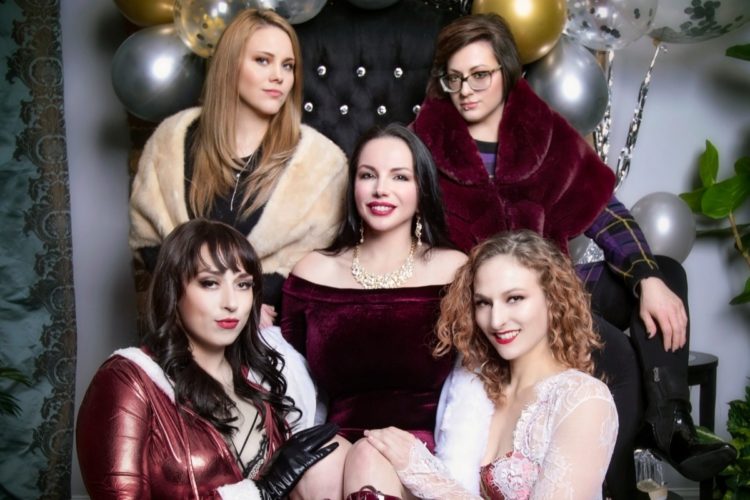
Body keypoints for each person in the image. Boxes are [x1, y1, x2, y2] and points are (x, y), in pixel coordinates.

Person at [410, 12, 736, 493]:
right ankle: (616, 484)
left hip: (554, 281)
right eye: (453, 78)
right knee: (614, 352)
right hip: (493, 300)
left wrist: (644, 276)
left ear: (506, 70)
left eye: (479, 75)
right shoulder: (423, 143)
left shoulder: (541, 128)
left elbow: (602, 207)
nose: (466, 90)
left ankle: (670, 421)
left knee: (663, 272)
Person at [76, 219, 339, 499]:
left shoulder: (260, 386)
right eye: (210, 283)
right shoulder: (129, 380)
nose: (231, 303)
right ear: (173, 290)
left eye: (243, 284)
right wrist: (261, 490)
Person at [280, 124, 467, 499]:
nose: (381, 189)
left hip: (421, 450)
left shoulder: (454, 270)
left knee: (369, 456)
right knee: (316, 458)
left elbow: (482, 377)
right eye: (368, 175)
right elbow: (286, 376)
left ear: (422, 190)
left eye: (400, 177)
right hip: (336, 442)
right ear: (354, 187)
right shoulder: (313, 271)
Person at [129, 9, 347, 328]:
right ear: (230, 64)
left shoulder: (321, 163)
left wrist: (251, 301)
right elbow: (148, 244)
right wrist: (215, 300)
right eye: (263, 60)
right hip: (181, 329)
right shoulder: (172, 140)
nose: (279, 76)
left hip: (271, 333)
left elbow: (317, 262)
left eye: (288, 65)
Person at [366, 230, 618, 499]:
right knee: (367, 454)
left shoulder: (583, 399)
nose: (496, 320)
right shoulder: (471, 389)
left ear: (553, 299)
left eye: (514, 298)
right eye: (483, 303)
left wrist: (427, 477)